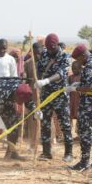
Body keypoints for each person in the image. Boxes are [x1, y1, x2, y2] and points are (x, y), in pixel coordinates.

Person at [35, 33, 73, 162]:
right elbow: (39, 68)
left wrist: (46, 81)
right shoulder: (45, 54)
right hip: (46, 95)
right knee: (45, 123)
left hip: (59, 96)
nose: (50, 51)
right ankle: (46, 152)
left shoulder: (65, 56)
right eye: (48, 49)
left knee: (65, 124)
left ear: (56, 45)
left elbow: (61, 74)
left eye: (52, 49)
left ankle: (68, 153)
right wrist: (39, 80)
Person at [67, 44, 92, 171]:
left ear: (83, 55)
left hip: (89, 105)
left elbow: (89, 88)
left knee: (85, 133)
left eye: (78, 59)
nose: (78, 63)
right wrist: (80, 83)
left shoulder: (89, 66)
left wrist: (75, 88)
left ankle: (84, 162)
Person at [23, 42, 43, 150]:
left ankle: (46, 145)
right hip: (33, 96)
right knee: (33, 121)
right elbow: (25, 80)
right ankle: (33, 144)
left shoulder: (46, 63)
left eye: (39, 53)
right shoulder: (28, 63)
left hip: (45, 96)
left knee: (45, 120)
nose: (37, 56)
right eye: (35, 54)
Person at [68, 61, 81, 139]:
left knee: (79, 116)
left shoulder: (82, 77)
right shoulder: (70, 77)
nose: (74, 70)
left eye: (76, 69)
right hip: (71, 99)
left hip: (79, 100)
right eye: (73, 69)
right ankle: (69, 133)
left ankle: (79, 133)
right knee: (69, 115)